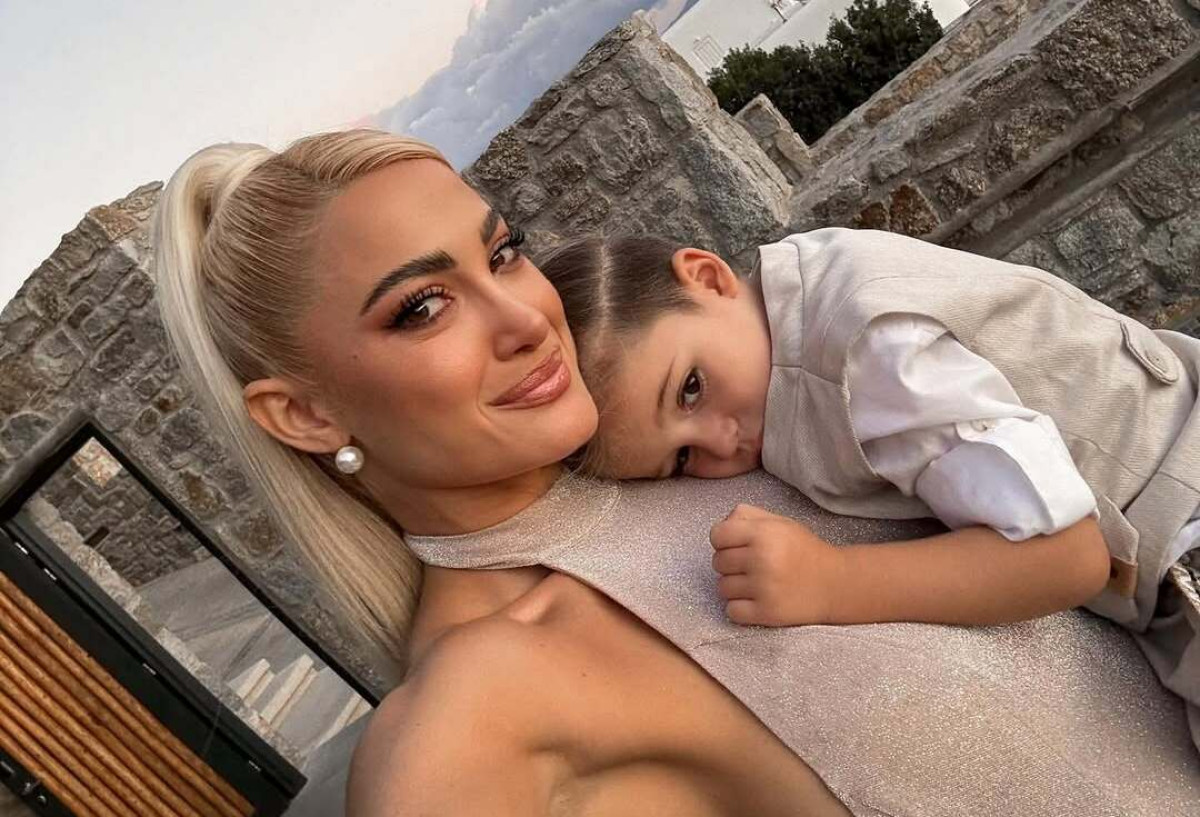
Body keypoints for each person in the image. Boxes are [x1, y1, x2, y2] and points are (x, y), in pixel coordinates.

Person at [152, 129, 1200, 816]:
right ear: (306, 414)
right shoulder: (485, 698)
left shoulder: (700, 434)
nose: (526, 318)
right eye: (422, 307)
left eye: (503, 253)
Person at [538, 230, 1200, 741]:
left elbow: (1068, 556)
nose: (722, 441)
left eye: (690, 387)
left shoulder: (867, 360)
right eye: (682, 460)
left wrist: (830, 581)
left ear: (707, 276)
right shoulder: (807, 283)